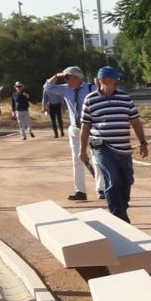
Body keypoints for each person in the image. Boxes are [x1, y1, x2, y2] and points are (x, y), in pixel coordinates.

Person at [80, 66, 145, 221]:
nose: (117, 82)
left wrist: (143, 142)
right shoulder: (90, 99)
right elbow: (85, 126)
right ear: (102, 81)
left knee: (126, 181)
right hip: (102, 147)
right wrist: (82, 150)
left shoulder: (125, 97)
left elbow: (135, 121)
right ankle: (118, 216)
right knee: (113, 180)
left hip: (123, 148)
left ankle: (122, 209)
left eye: (117, 79)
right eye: (114, 79)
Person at [48, 68, 91, 201]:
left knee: (96, 158)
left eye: (68, 77)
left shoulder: (91, 88)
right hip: (75, 128)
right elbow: (47, 87)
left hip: (91, 127)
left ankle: (101, 188)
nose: (65, 80)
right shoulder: (65, 89)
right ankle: (80, 191)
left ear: (77, 77)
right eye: (65, 78)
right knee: (77, 159)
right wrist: (56, 75)